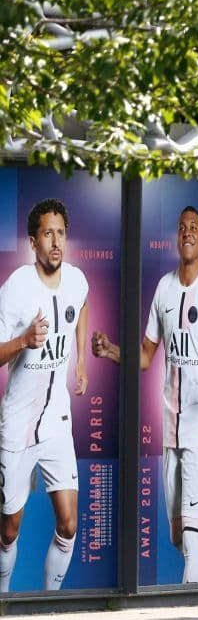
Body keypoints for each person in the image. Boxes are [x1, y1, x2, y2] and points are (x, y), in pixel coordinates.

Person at [92, 206, 198, 583]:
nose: (187, 233)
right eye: (182, 227)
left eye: (194, 228)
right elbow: (145, 356)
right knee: (176, 534)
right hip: (171, 422)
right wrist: (109, 351)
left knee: (191, 521)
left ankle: (187, 596)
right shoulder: (164, 289)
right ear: (177, 237)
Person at [0, 199, 89, 591]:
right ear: (32, 241)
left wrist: (81, 360)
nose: (56, 242)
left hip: (57, 421)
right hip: (18, 423)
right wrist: (23, 341)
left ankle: (47, 603)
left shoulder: (75, 279)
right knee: (8, 529)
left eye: (61, 233)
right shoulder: (17, 287)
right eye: (48, 234)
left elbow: (81, 305)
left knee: (69, 524)